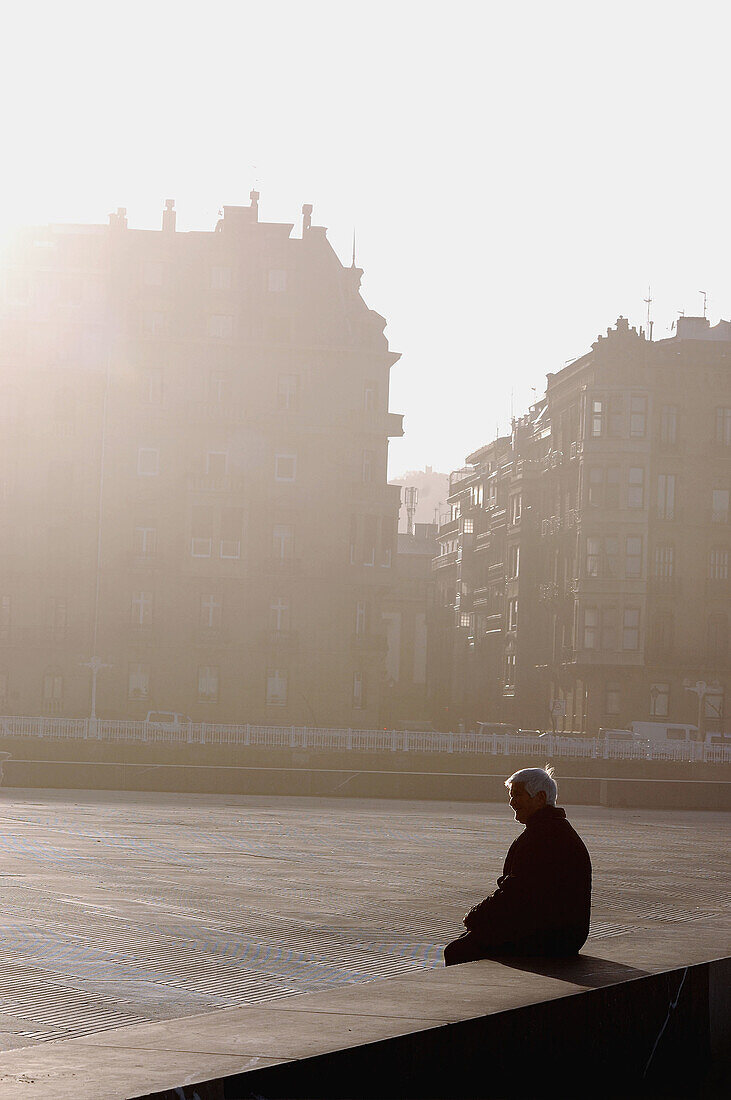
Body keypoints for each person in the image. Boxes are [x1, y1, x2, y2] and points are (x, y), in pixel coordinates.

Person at [444, 766, 591, 965]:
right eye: (511, 796)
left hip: (552, 937)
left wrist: (476, 916)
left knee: (456, 951)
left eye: (518, 795)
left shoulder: (542, 837)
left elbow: (515, 894)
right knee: (472, 937)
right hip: (564, 932)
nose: (512, 802)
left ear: (540, 798)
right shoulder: (554, 830)